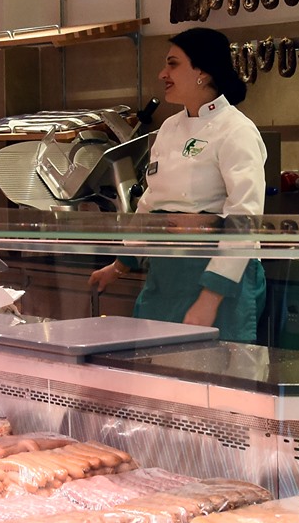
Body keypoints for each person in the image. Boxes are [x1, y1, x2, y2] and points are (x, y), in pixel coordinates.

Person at [90, 27, 266, 341]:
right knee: (155, 365)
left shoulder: (236, 130)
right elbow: (151, 202)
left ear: (202, 72)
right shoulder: (169, 128)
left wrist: (209, 300)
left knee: (215, 369)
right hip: (165, 275)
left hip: (218, 279)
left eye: (172, 64)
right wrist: (119, 266)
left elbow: (245, 218)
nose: (162, 73)